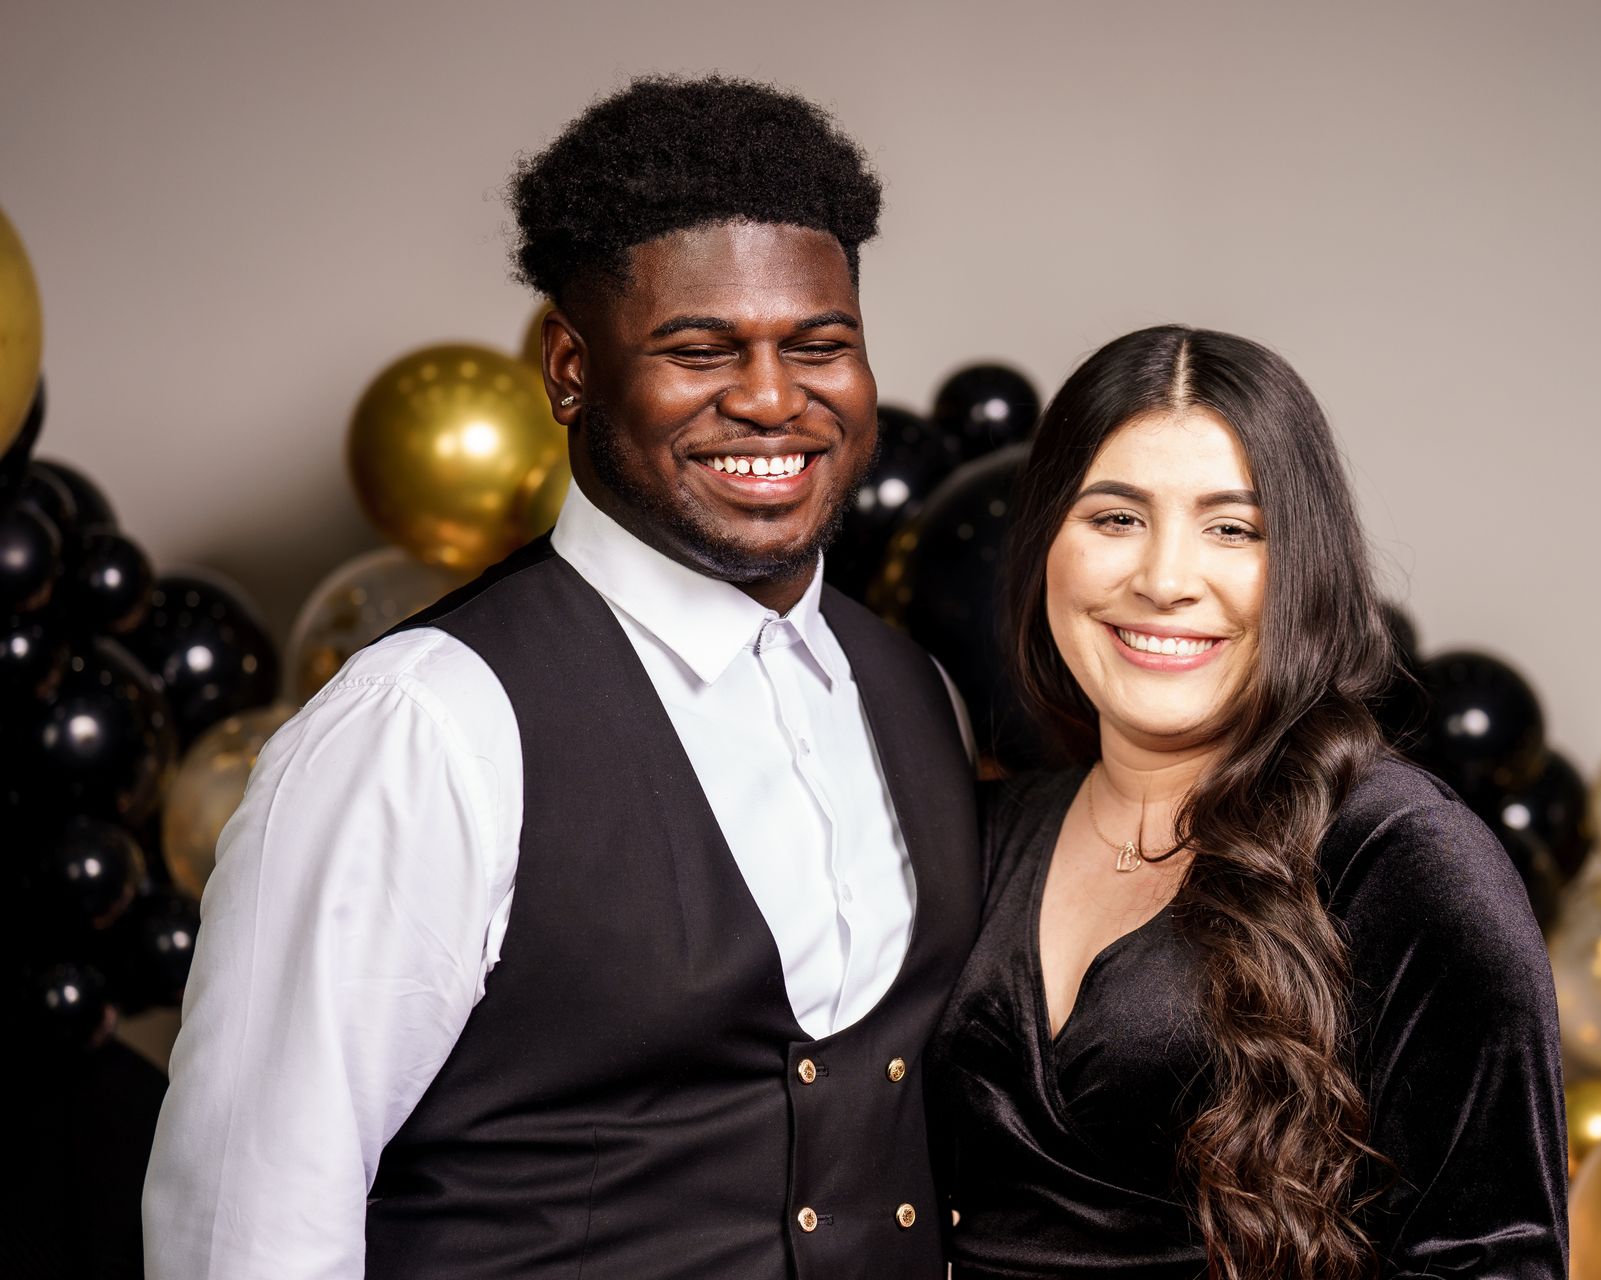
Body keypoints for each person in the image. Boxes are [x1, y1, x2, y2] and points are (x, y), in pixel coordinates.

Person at [144, 76, 980, 1279]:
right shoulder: (423, 726)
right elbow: (247, 1232)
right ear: (571, 370)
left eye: (819, 345)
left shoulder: (916, 693)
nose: (770, 397)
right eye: (700, 348)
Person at [928, 326, 1568, 1279]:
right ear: (1044, 546)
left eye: (1232, 529)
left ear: (1302, 567)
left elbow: (1497, 1260)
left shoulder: (1405, 856)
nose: (1165, 580)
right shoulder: (981, 834)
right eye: (1114, 519)